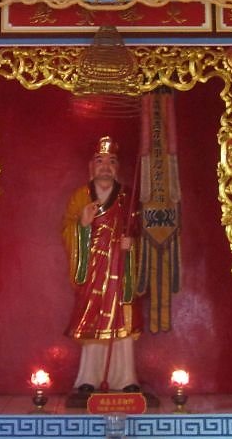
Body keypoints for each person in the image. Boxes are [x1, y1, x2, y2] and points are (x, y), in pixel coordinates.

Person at [62, 136, 142, 393]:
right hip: (93, 269)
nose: (105, 167)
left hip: (120, 269)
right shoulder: (80, 196)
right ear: (91, 167)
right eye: (100, 161)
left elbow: (140, 230)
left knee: (123, 323)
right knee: (93, 322)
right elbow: (66, 229)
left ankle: (125, 379)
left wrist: (132, 244)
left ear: (117, 168)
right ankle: (89, 378)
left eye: (111, 162)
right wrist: (83, 226)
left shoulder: (128, 197)